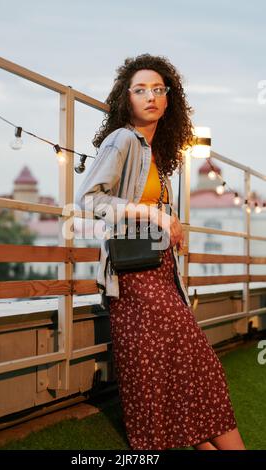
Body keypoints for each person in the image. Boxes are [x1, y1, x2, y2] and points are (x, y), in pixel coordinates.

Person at [75, 53, 246, 450]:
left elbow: (144, 207)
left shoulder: (155, 153)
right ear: (126, 98)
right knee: (199, 369)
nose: (150, 96)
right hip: (135, 282)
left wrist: (171, 221)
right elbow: (89, 200)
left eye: (158, 89)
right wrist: (152, 212)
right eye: (140, 90)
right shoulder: (122, 140)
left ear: (169, 99)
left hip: (160, 272)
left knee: (172, 376)